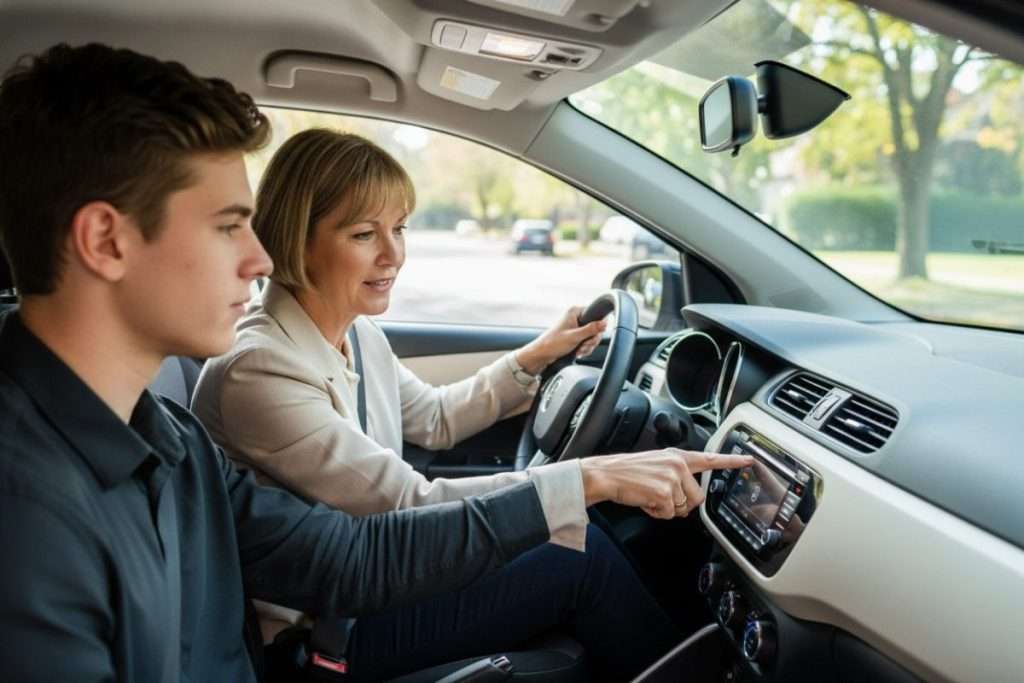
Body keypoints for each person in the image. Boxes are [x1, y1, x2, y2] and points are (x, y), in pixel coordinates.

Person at [0, 43, 751, 682]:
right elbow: (387, 520)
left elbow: (350, 556)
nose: (259, 258)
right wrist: (579, 485)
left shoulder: (168, 436)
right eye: (230, 226)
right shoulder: (28, 516)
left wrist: (586, 478)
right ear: (106, 241)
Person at [189, 128, 700, 676]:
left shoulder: (356, 334)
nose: (394, 255)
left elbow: (433, 419)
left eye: (400, 229)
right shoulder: (260, 368)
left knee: (580, 542)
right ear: (296, 239)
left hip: (373, 584)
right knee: (581, 558)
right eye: (365, 234)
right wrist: (588, 479)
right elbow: (408, 502)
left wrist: (534, 357)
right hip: (324, 632)